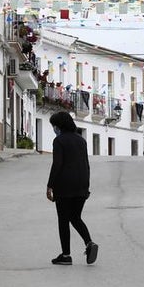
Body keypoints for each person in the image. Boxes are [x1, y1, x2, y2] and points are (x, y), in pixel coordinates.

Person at [46, 111, 98, 266]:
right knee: (75, 217)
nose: (54, 128)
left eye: (54, 125)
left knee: (63, 220)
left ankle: (66, 255)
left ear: (59, 125)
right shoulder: (81, 140)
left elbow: (57, 165)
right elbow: (86, 165)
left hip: (64, 186)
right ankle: (89, 243)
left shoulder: (59, 141)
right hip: (81, 185)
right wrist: (86, 186)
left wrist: (50, 185)